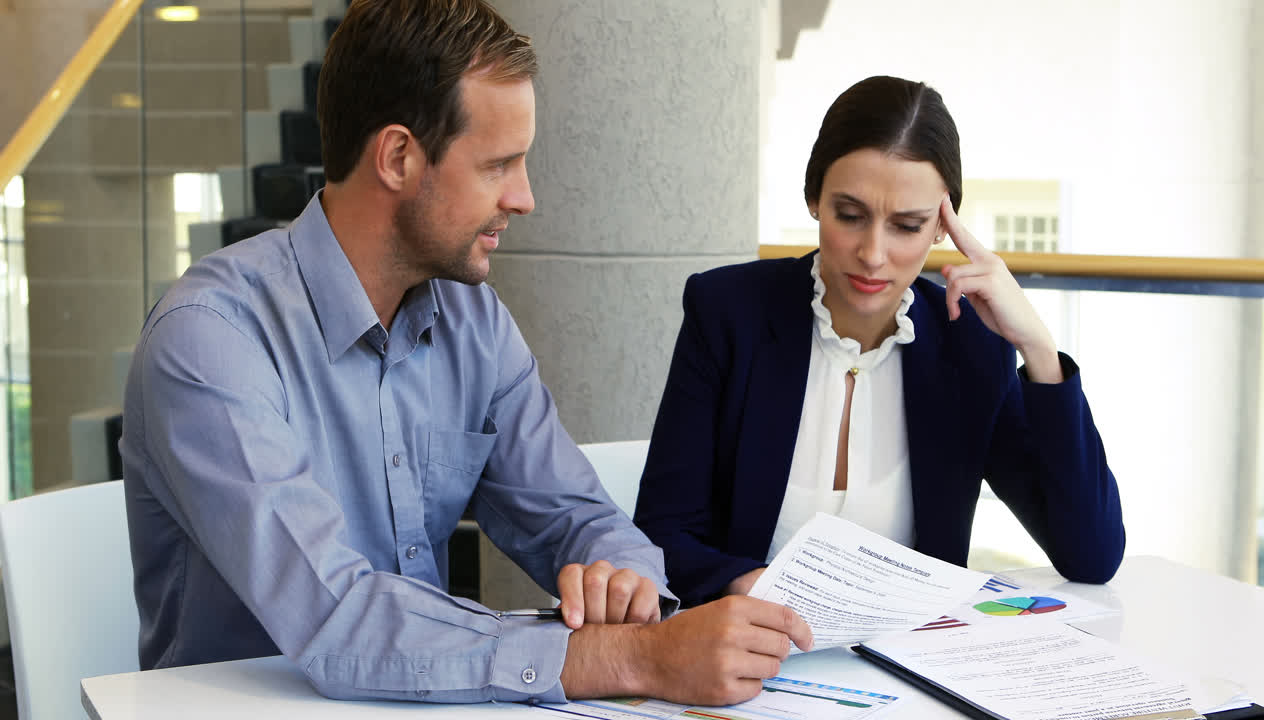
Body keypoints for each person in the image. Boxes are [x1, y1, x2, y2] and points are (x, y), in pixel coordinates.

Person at [120, 0, 811, 707]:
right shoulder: (211, 339)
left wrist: (621, 575)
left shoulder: (471, 321)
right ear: (397, 157)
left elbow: (579, 517)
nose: (525, 197)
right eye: (498, 165)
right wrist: (633, 658)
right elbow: (338, 619)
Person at [633, 75, 1126, 608]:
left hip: (908, 666)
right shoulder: (729, 312)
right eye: (850, 215)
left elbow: (1091, 555)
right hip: (754, 662)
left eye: (907, 225)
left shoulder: (971, 346)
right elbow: (661, 534)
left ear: (943, 225)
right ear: (813, 199)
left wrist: (1037, 349)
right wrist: (744, 585)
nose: (873, 253)